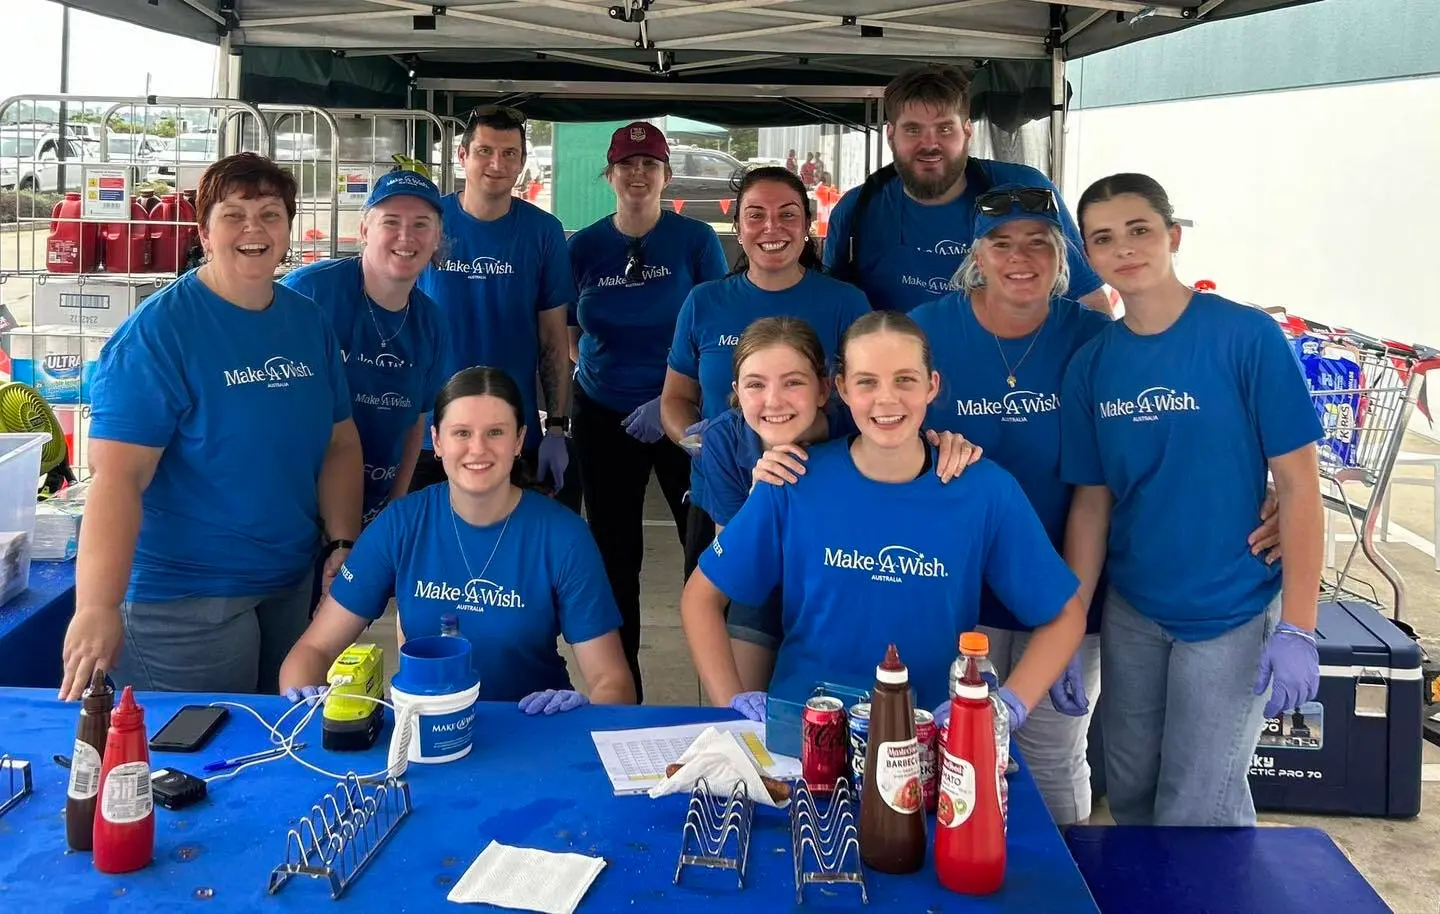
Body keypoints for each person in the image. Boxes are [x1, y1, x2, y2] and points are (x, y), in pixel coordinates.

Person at [907, 183, 1283, 826]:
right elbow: (878, 423)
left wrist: (1259, 485)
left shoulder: (1094, 337)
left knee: (1053, 753)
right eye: (1001, 243)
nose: (1020, 258)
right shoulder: (925, 329)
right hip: (956, 586)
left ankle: (1061, 885)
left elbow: (1122, 465)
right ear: (977, 252)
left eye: (1038, 243)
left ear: (1062, 255)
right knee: (953, 753)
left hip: (1067, 584)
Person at [1062, 173, 1323, 827]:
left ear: (1172, 236)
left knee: (1197, 810)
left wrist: (1298, 625)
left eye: (1140, 230)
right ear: (1087, 257)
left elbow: (1298, 485)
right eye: (1103, 238)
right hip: (1135, 608)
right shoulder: (1093, 366)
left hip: (1228, 608)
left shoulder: (1246, 338)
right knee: (1129, 789)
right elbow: (1092, 507)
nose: (1125, 248)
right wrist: (1068, 630)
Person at [681, 311, 1087, 728]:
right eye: (867, 382)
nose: (886, 399)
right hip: (805, 737)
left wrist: (1009, 705)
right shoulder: (789, 479)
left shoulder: (983, 491)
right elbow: (700, 597)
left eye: (905, 380)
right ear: (841, 388)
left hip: (929, 741)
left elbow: (1064, 613)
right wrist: (732, 703)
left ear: (932, 385)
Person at [60, 152, 364, 700]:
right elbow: (117, 479)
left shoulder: (306, 321)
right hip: (185, 598)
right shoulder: (158, 335)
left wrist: (343, 542)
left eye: (271, 214)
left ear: (288, 229)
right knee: (203, 764)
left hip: (289, 582)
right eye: (234, 214)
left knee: (283, 745)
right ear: (203, 231)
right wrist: (96, 607)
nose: (254, 229)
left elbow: (340, 442)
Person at [279, 367, 636, 714]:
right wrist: (304, 708)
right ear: (436, 441)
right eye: (461, 433)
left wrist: (585, 717)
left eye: (495, 432)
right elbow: (313, 649)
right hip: (422, 730)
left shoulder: (563, 536)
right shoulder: (402, 524)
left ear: (518, 440)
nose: (478, 449)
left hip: (531, 733)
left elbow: (613, 681)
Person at [696, 315, 981, 691]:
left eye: (794, 382)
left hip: (842, 574)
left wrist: (949, 444)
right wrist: (760, 504)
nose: (774, 400)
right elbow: (729, 564)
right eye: (755, 385)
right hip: (768, 583)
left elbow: (910, 447)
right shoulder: (723, 440)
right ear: (736, 391)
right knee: (745, 701)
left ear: (826, 389)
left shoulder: (860, 424)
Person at [567, 122, 729, 702]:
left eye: (650, 164)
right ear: (609, 175)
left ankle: (717, 695)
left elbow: (716, 327)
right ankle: (622, 697)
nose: (638, 174)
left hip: (681, 417)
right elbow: (566, 332)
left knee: (704, 557)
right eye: (627, 164)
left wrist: (669, 399)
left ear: (665, 175)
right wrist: (588, 375)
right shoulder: (583, 246)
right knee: (613, 555)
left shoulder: (695, 240)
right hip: (604, 414)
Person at [660, 166, 872, 577]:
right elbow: (675, 399)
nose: (771, 226)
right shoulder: (705, 302)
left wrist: (806, 445)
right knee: (719, 621)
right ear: (737, 227)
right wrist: (707, 446)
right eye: (755, 214)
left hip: (823, 492)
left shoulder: (846, 303)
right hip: (720, 495)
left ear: (807, 226)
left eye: (788, 214)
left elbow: (866, 405)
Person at [824, 63, 1109, 316]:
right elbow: (831, 307)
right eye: (913, 129)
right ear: (890, 135)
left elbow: (1088, 300)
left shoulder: (1025, 192)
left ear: (968, 132)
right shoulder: (856, 208)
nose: (929, 144)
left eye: (945, 129)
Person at [414, 105, 579, 509]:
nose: (497, 163)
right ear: (462, 156)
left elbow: (553, 337)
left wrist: (556, 427)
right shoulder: (427, 221)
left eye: (509, 154)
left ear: (522, 162)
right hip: (429, 428)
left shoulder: (543, 232)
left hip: (511, 429)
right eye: (485, 150)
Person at [279, 170, 447, 527]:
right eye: (391, 222)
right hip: (296, 511)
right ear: (365, 230)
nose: (406, 236)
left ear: (436, 238)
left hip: (371, 512)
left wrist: (395, 508)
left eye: (421, 224)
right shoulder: (310, 292)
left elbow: (416, 423)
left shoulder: (431, 322)